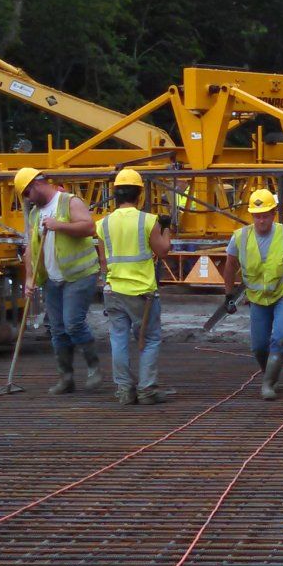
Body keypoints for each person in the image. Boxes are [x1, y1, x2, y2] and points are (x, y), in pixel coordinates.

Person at [15, 166, 103, 395]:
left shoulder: (69, 202)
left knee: (73, 323)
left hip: (79, 274)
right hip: (52, 279)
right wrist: (29, 277)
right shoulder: (35, 213)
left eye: (27, 194)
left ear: (34, 185)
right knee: (58, 330)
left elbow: (89, 227)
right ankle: (66, 378)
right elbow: (29, 250)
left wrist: (59, 225)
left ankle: (94, 367)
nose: (27, 199)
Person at [97, 169, 176, 405]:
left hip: (114, 290)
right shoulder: (147, 220)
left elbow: (103, 261)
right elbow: (163, 251)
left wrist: (108, 282)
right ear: (139, 194)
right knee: (150, 339)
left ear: (115, 194)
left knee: (118, 339)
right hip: (143, 293)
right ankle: (147, 390)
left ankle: (123, 390)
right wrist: (167, 228)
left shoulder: (103, 224)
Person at [221, 188, 283, 400]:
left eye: (265, 215)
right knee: (258, 346)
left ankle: (268, 384)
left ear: (273, 214)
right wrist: (229, 295)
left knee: (281, 336)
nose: (261, 220)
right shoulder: (240, 237)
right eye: (257, 216)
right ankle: (270, 372)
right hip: (257, 298)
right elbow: (229, 265)